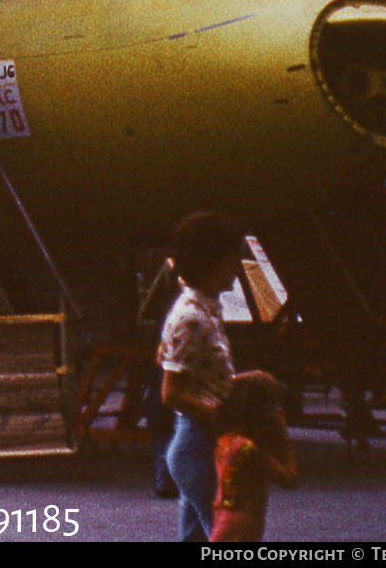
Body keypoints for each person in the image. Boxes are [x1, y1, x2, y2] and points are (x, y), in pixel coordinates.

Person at [158, 211, 242, 542]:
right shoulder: (191, 317)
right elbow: (171, 394)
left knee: (195, 536)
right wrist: (222, 415)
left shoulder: (204, 310)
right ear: (213, 264)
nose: (236, 268)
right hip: (198, 443)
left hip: (202, 441)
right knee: (226, 534)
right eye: (231, 261)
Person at [210, 372, 298, 541]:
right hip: (244, 525)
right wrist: (285, 441)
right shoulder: (249, 450)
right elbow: (290, 479)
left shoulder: (226, 439)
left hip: (223, 518)